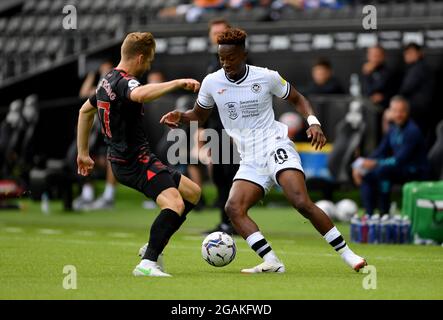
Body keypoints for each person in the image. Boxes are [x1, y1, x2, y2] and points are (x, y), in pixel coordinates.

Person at [161, 28, 366, 273]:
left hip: (274, 145)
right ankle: (271, 261)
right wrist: (181, 117)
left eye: (231, 58)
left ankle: (348, 254)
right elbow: (199, 114)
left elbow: (298, 99)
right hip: (250, 158)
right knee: (233, 208)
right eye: (221, 58)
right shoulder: (212, 82)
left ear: (244, 54)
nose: (225, 63)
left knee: (300, 201)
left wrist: (313, 122)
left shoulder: (266, 77)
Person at [77, 32, 201, 277]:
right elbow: (140, 94)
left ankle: (155, 244)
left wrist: (83, 153)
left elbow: (84, 111)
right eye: (149, 61)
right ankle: (147, 263)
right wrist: (176, 83)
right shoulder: (125, 81)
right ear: (140, 57)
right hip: (133, 162)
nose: (148, 66)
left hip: (132, 160)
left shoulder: (106, 80)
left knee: (192, 193)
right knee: (175, 203)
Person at [352, 96, 429, 216]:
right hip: (398, 169)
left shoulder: (412, 131)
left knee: (383, 170)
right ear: (390, 112)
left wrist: (374, 164)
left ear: (407, 112)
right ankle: (369, 216)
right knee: (366, 175)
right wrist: (359, 165)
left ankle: (384, 214)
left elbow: (400, 160)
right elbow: (380, 151)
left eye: (402, 111)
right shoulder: (393, 128)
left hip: (415, 171)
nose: (398, 114)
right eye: (395, 111)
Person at [204, 18, 239, 234]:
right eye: (213, 32)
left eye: (221, 32)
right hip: (215, 127)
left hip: (233, 129)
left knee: (232, 175)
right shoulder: (212, 61)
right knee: (219, 175)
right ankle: (225, 221)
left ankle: (234, 221)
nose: (216, 35)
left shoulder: (237, 61)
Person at [398, 43, 434, 137]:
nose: (408, 55)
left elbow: (405, 89)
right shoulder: (414, 68)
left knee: (391, 113)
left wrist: (395, 100)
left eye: (411, 53)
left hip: (418, 110)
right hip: (419, 110)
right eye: (406, 53)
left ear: (419, 53)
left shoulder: (419, 68)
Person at [361, 45, 393, 109]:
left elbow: (378, 88)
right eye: (372, 55)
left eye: (377, 55)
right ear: (368, 56)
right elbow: (365, 90)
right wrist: (367, 74)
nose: (375, 57)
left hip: (384, 106)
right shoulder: (367, 70)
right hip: (367, 105)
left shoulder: (387, 71)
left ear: (383, 56)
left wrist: (367, 74)